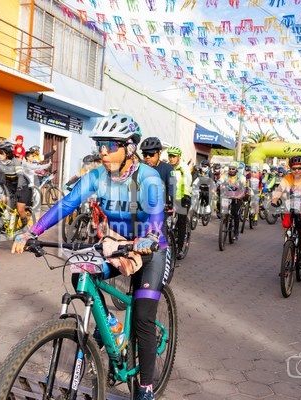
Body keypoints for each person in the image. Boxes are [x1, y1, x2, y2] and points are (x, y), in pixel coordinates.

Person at [12, 113, 168, 400]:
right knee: (78, 269)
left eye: (111, 145)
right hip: (116, 243)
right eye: (100, 145)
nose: (104, 152)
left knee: (143, 318)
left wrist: (151, 237)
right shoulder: (97, 176)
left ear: (130, 148)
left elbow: (156, 216)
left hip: (150, 248)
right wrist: (32, 231)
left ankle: (146, 388)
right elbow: (67, 203)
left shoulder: (148, 177)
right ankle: (111, 325)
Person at [271, 155, 301, 287]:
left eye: (299, 168)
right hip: (291, 212)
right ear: (290, 169)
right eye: (294, 168)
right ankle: (287, 262)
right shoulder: (287, 178)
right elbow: (279, 191)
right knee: (288, 238)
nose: (296, 171)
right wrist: (274, 200)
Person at [166, 146, 192, 259]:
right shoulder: (168, 167)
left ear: (179, 157)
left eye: (174, 156)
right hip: (171, 197)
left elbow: (188, 181)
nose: (171, 159)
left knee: (181, 221)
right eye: (170, 156)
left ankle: (180, 247)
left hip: (183, 198)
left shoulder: (183, 168)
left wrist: (186, 195)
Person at [140, 136, 175, 213]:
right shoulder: (139, 167)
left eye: (151, 154)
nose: (147, 157)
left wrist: (170, 200)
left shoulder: (168, 168)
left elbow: (172, 185)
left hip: (161, 206)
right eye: (145, 154)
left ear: (159, 153)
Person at [219, 161, 246, 240]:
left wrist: (242, 194)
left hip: (237, 197)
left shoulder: (241, 177)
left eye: (233, 169)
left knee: (236, 214)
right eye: (230, 168)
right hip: (227, 196)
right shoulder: (225, 175)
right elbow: (219, 182)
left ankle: (236, 232)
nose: (231, 170)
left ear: (236, 169)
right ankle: (224, 219)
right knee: (223, 210)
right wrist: (217, 186)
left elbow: (244, 186)